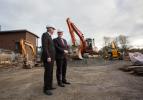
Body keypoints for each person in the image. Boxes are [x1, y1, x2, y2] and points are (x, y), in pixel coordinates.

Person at [41, 25, 56, 95]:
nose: (54, 30)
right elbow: (45, 47)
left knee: (50, 72)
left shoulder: (50, 36)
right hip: (48, 58)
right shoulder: (45, 35)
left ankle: (49, 86)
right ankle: (46, 89)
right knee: (47, 73)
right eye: (53, 29)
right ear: (49, 29)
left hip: (51, 58)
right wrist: (48, 56)